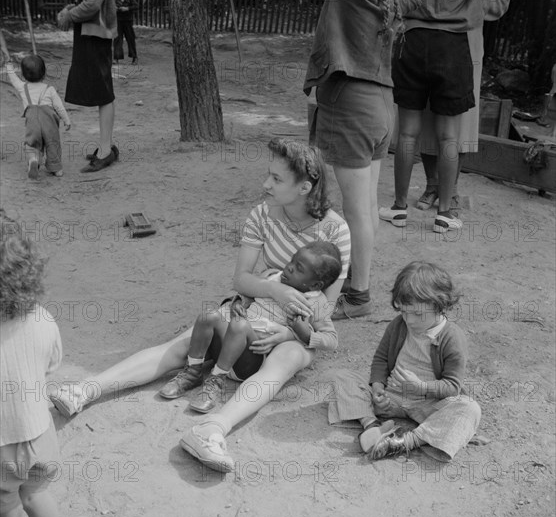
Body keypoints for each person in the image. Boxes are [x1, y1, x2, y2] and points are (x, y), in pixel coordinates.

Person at [48, 139, 351, 449]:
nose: (265, 184)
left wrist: (287, 333)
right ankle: (87, 389)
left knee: (283, 361)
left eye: (277, 179)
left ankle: (213, 429)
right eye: (268, 174)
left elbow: (324, 306)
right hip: (256, 307)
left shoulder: (335, 230)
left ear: (304, 188)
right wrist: (275, 288)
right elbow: (241, 279)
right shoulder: (262, 214)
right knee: (181, 343)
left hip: (296, 329)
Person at [303, 0, 422, 320]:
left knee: (356, 211)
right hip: (383, 102)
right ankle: (356, 278)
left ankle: (359, 297)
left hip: (352, 102)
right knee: (367, 205)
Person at [379, 0, 505, 232]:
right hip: (455, 43)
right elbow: (500, 1)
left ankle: (399, 208)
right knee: (449, 135)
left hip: (412, 40)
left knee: (407, 132)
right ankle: (445, 214)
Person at [328, 261, 481, 462]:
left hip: (428, 405)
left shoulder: (452, 337)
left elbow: (452, 386)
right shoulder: (399, 325)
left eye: (417, 314)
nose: (409, 320)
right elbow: (381, 358)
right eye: (403, 311)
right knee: (343, 377)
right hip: (393, 397)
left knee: (469, 408)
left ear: (439, 306)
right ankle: (373, 427)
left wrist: (421, 387)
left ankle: (405, 442)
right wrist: (377, 387)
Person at [171, 240, 341, 415]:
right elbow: (249, 294)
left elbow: (332, 340)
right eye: (292, 261)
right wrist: (239, 302)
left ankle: (216, 382)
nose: (289, 268)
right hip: (227, 348)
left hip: (250, 360)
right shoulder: (272, 277)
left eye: (299, 268)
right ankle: (193, 372)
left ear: (315, 285)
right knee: (208, 315)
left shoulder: (315, 302)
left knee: (239, 325)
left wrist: (304, 333)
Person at [0, 212, 64, 517]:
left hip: (2, 448)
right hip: (41, 436)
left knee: (7, 507)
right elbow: (52, 364)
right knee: (35, 494)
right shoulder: (41, 318)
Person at [57, 0, 119, 173]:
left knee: (103, 92)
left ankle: (106, 151)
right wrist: (72, 9)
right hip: (93, 34)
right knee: (102, 91)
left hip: (95, 36)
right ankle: (105, 146)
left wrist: (69, 15)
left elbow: (92, 4)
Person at [1, 53, 71, 179]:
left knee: (31, 144)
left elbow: (12, 77)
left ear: (23, 75)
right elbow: (59, 107)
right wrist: (66, 120)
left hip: (32, 121)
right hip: (49, 123)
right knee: (52, 143)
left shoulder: (23, 87)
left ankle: (33, 159)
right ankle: (56, 169)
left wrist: (9, 65)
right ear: (44, 74)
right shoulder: (50, 89)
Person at [113, 0, 139, 65]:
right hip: (118, 21)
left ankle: (134, 57)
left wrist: (127, 8)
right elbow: (108, 6)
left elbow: (136, 6)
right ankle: (116, 58)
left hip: (128, 21)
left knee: (130, 39)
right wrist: (114, 8)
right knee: (117, 39)